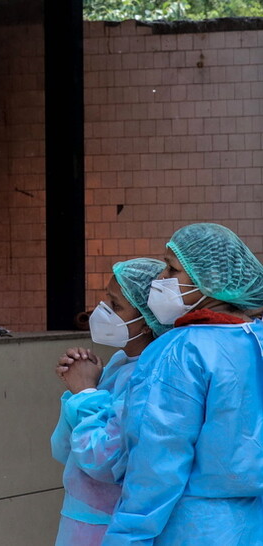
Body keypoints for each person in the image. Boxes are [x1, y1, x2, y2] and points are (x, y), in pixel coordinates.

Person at [103, 223, 263, 545]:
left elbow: (155, 465)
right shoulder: (254, 341)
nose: (160, 279)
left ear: (213, 280)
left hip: (194, 529)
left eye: (172, 269)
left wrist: (126, 538)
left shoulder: (181, 351)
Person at [51, 257, 170, 546]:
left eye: (115, 306)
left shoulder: (149, 375)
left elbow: (105, 462)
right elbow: (63, 449)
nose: (103, 312)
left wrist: (85, 393)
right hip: (79, 516)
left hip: (109, 524)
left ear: (146, 320)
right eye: (106, 300)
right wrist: (79, 388)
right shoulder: (119, 363)